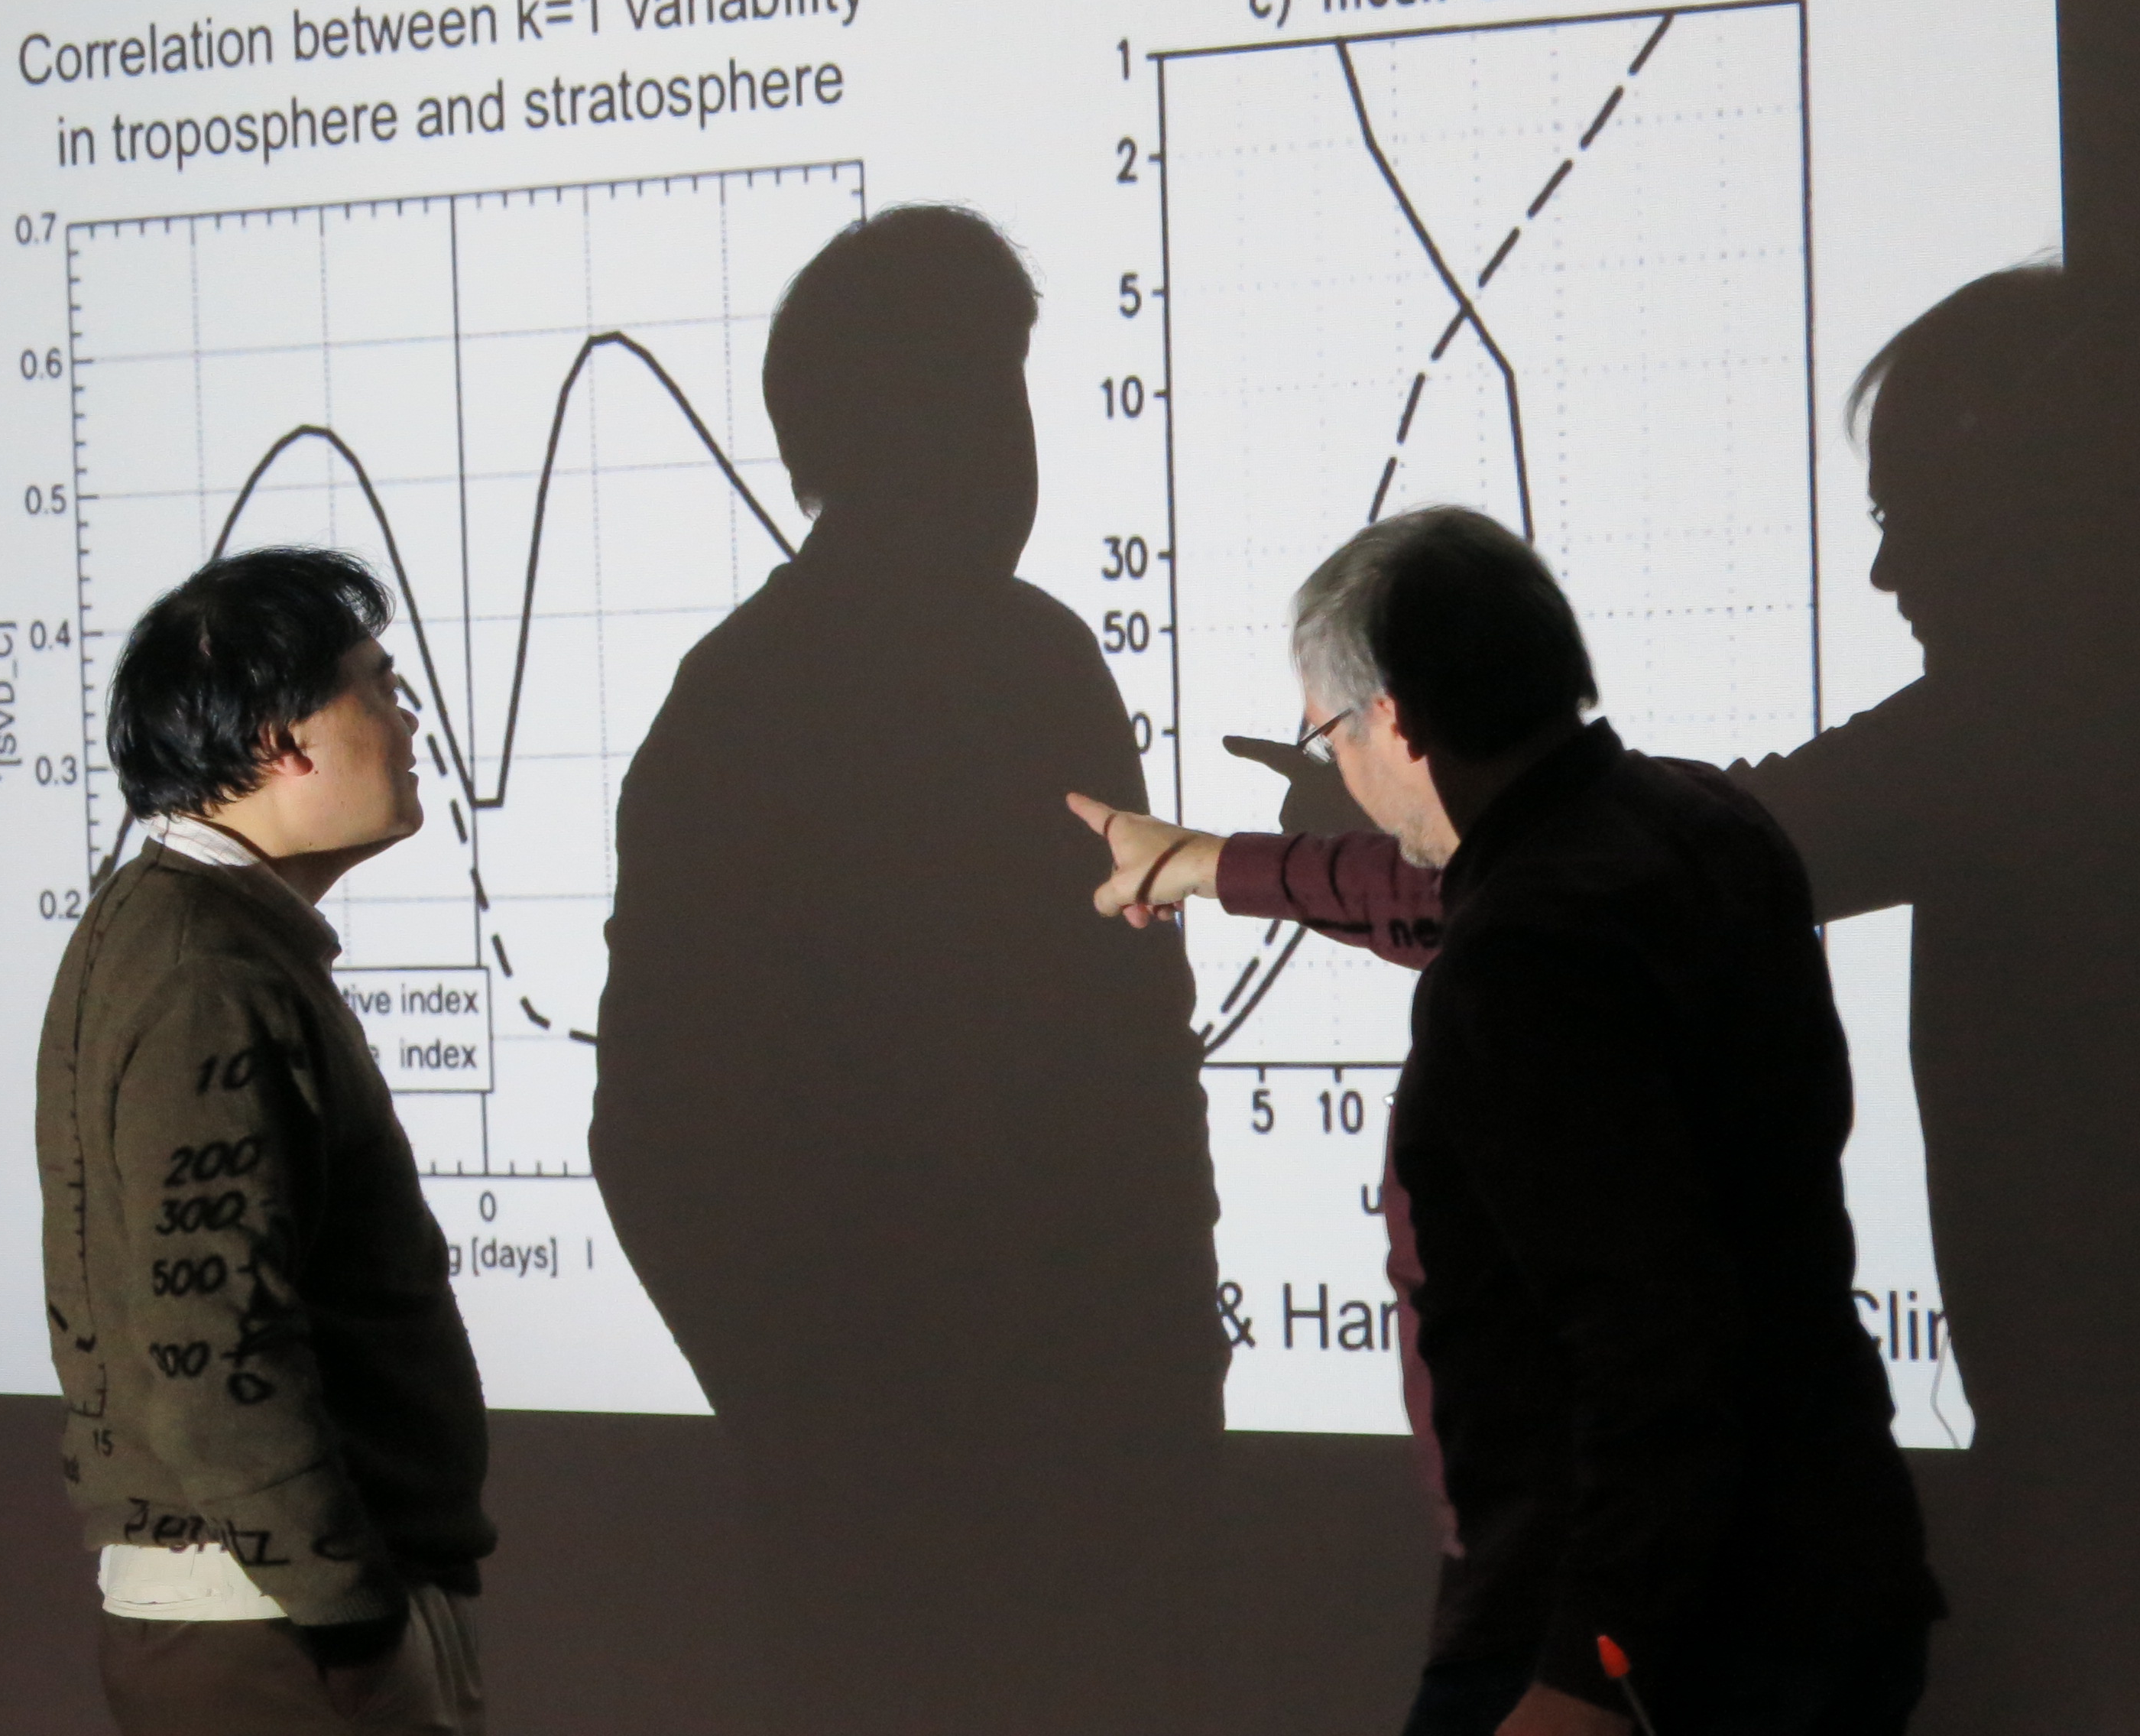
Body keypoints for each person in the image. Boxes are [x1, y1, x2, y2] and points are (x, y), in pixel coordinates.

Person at [1104, 506, 1942, 1736]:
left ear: (1397, 720)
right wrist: (1207, 863)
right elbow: (1436, 888)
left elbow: (1650, 1346)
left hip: (1618, 1635)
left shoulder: (1524, 957)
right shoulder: (1705, 828)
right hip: (1827, 1579)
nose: (1339, 770)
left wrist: (1594, 1668)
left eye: (1329, 733)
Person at [592, 206, 1224, 1736]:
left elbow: (1135, 1052)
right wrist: (835, 1426)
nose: (1014, 446)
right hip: (939, 1511)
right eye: (984, 394)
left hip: (1054, 1485)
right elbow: (658, 1133)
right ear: (894, 429)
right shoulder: (779, 704)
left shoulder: (1012, 667)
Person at [36, 546, 493, 1736]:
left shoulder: (189, 935)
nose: (411, 723)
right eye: (379, 689)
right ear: (282, 738)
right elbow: (210, 1343)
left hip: (273, 1616)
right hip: (278, 1633)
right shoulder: (205, 973)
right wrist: (351, 1621)